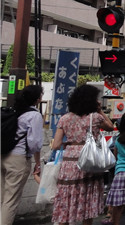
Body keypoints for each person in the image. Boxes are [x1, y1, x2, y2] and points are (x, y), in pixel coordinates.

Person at [51, 84, 114, 225]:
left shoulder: (65, 118)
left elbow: (56, 145)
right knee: (88, 199)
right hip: (90, 162)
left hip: (69, 163)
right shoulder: (95, 117)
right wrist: (100, 110)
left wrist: (70, 144)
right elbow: (110, 126)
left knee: (66, 199)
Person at [1, 85, 44, 225]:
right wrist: (37, 162)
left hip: (3, 154)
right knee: (11, 200)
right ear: (38, 99)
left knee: (1, 196)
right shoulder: (34, 115)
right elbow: (34, 143)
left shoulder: (14, 111)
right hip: (19, 159)